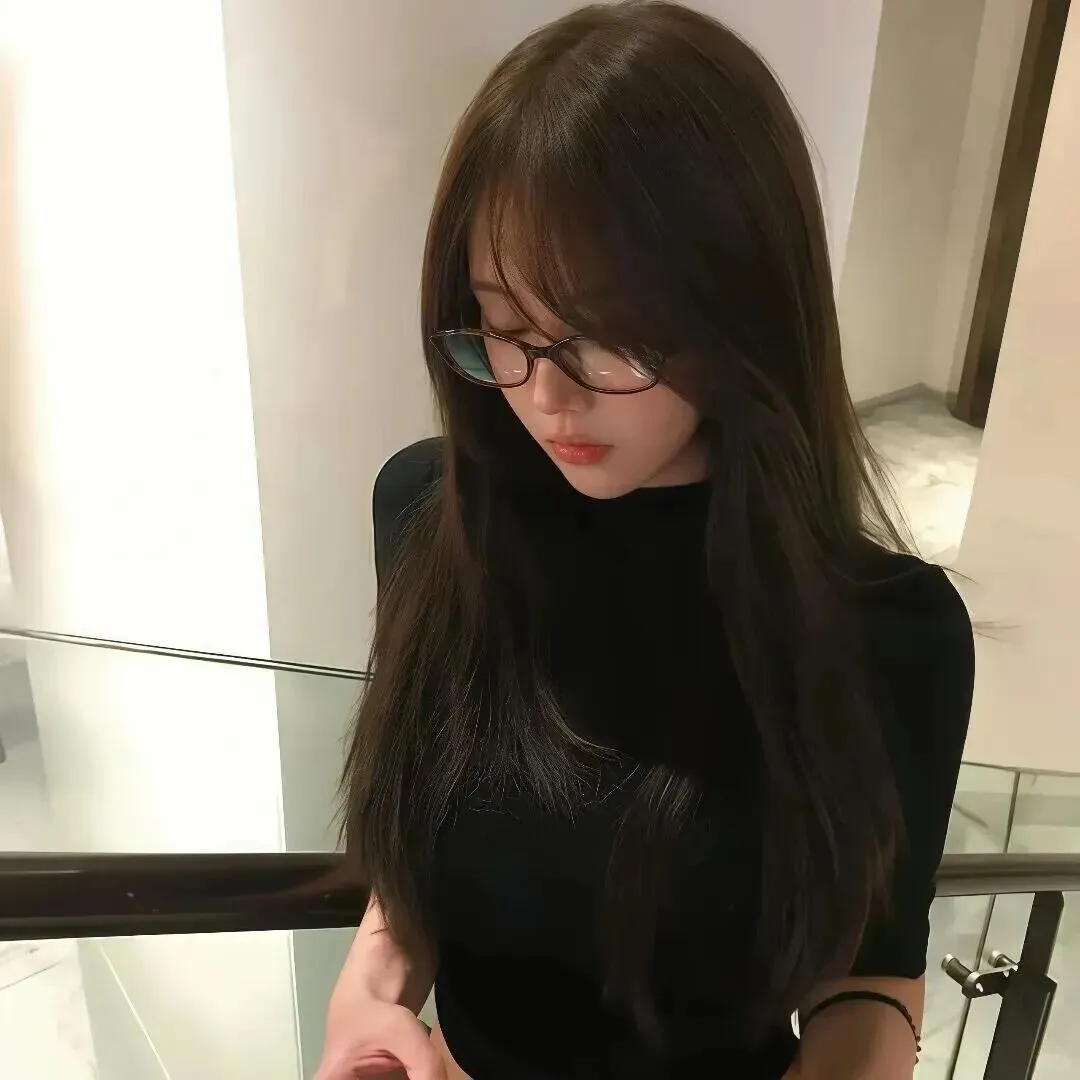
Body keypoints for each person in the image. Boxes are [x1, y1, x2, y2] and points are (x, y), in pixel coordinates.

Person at [315, 3, 974, 1078]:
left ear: (743, 307)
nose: (548, 397)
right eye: (506, 330)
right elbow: (423, 836)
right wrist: (371, 992)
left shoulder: (889, 632)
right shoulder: (432, 515)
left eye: (610, 338)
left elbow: (873, 972)